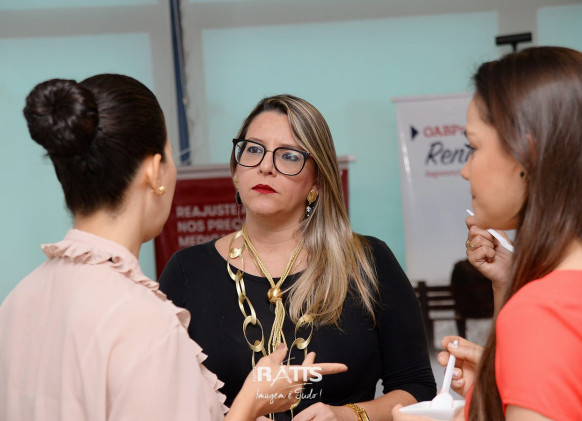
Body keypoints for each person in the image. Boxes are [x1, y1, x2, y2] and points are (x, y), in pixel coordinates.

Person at [0, 75, 347, 421]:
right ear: (155, 171)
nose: (266, 166)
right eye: (170, 156)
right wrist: (249, 404)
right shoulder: (144, 320)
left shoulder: (17, 301)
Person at [159, 94, 436, 421]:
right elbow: (164, 401)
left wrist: (347, 416)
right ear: (236, 172)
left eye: (289, 156)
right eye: (253, 150)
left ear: (316, 180)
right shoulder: (187, 270)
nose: (265, 166)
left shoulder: (368, 262)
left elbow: (417, 388)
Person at [392, 46, 582, 421]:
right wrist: (493, 391)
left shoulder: (543, 310)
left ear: (526, 154)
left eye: (473, 147)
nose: (465, 170)